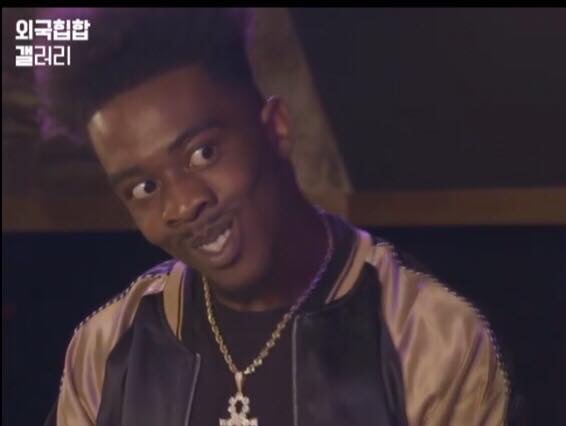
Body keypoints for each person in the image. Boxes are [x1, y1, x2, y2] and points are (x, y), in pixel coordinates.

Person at [37, 8, 518, 426]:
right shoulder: (106, 348)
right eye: (144, 188)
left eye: (203, 153)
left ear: (277, 129)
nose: (182, 205)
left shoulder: (430, 339)